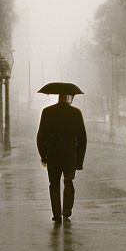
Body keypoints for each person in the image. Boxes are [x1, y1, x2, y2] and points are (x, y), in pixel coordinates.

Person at [36, 93, 87, 222]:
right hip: (70, 154)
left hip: (53, 153)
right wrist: (79, 161)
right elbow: (82, 139)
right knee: (68, 181)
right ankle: (67, 211)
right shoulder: (75, 113)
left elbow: (41, 136)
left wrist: (43, 155)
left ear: (58, 97)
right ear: (68, 98)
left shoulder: (47, 112)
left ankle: (57, 214)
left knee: (54, 184)